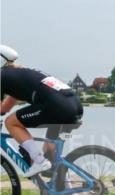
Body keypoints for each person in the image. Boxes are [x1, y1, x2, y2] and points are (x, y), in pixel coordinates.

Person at [0, 44, 83, 178]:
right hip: (74, 106)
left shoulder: (2, 76)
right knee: (50, 152)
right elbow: (4, 108)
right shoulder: (19, 75)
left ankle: (38, 161)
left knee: (11, 122)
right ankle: (69, 194)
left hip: (57, 107)